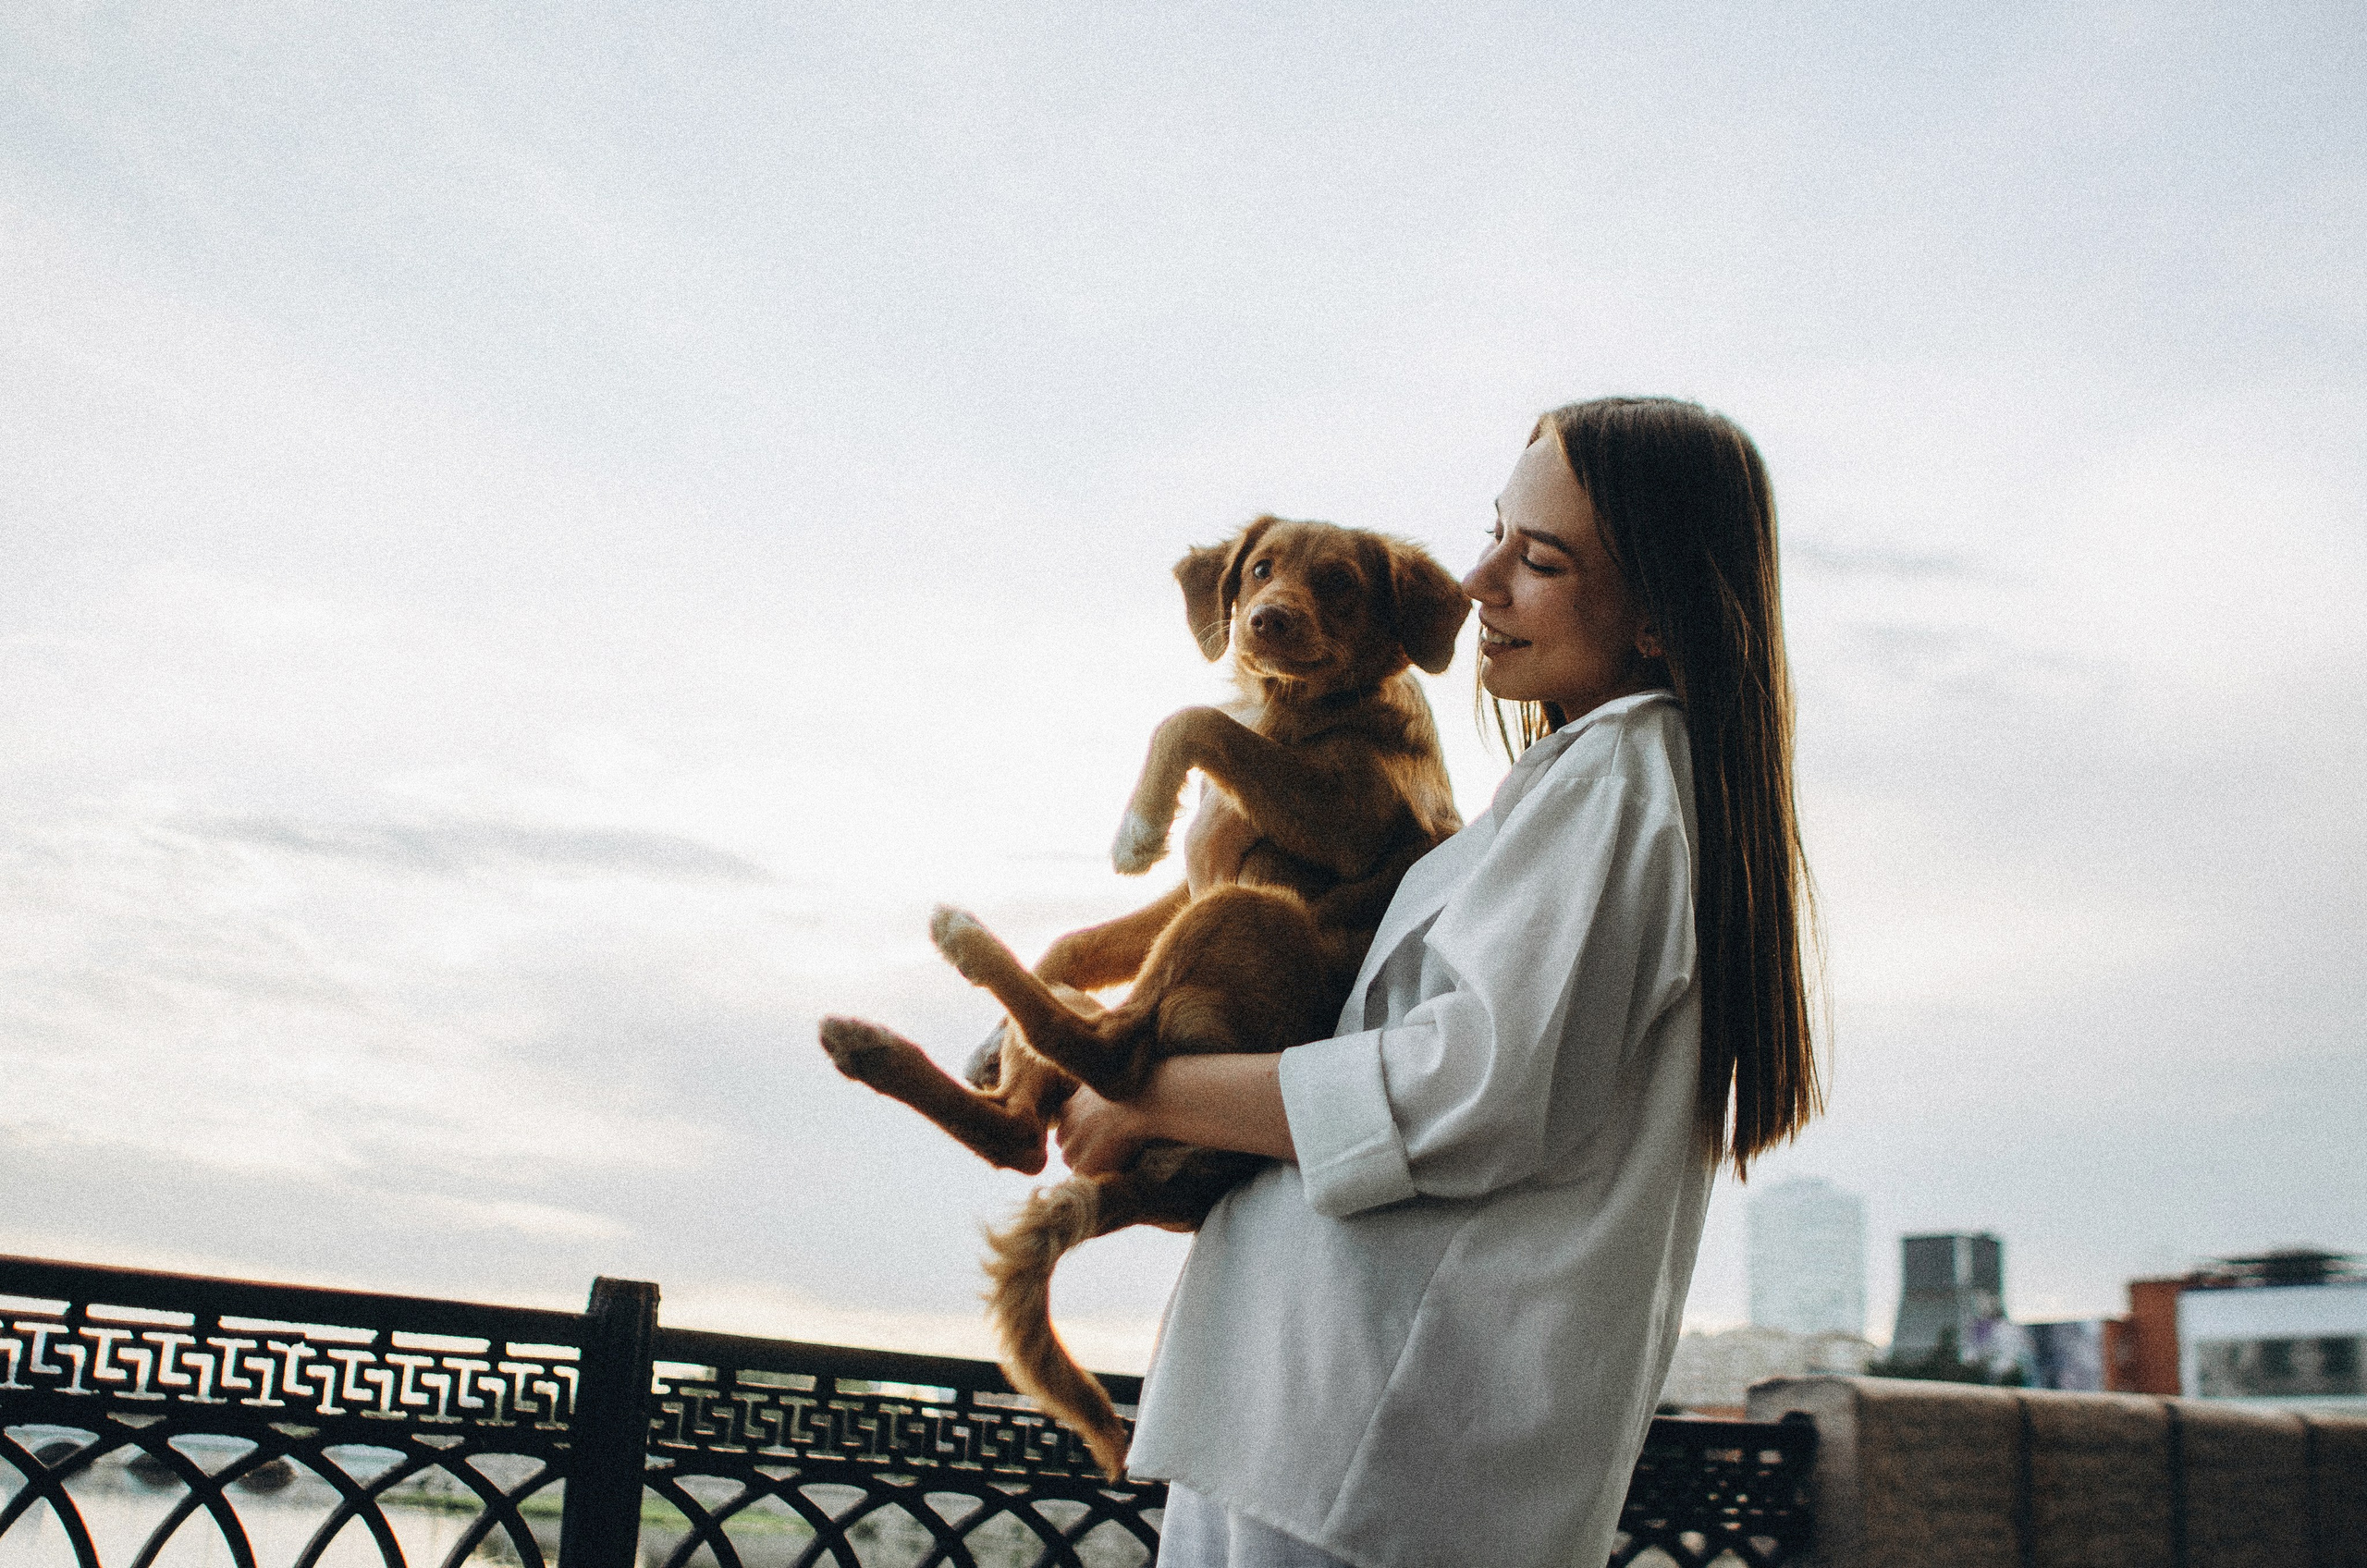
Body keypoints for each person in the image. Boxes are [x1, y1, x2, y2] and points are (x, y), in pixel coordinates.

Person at [1053, 397, 1821, 1568]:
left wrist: (1149, 1096)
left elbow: (1462, 1086)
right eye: (1495, 533)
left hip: (1361, 1455)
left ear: (1662, 615)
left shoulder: (1618, 779)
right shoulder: (1612, 786)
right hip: (1358, 1446)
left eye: (1540, 558)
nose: (1479, 580)